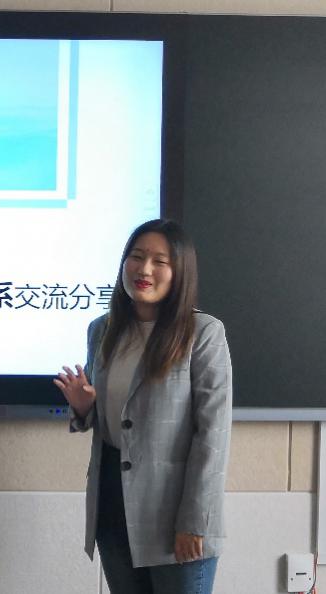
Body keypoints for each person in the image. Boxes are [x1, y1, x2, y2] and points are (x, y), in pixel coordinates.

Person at [54, 219, 232, 594]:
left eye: (159, 261)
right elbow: (116, 415)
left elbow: (213, 435)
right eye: (136, 257)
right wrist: (84, 408)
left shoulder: (203, 333)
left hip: (175, 512)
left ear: (179, 272)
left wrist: (196, 520)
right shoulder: (102, 330)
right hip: (113, 504)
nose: (144, 269)